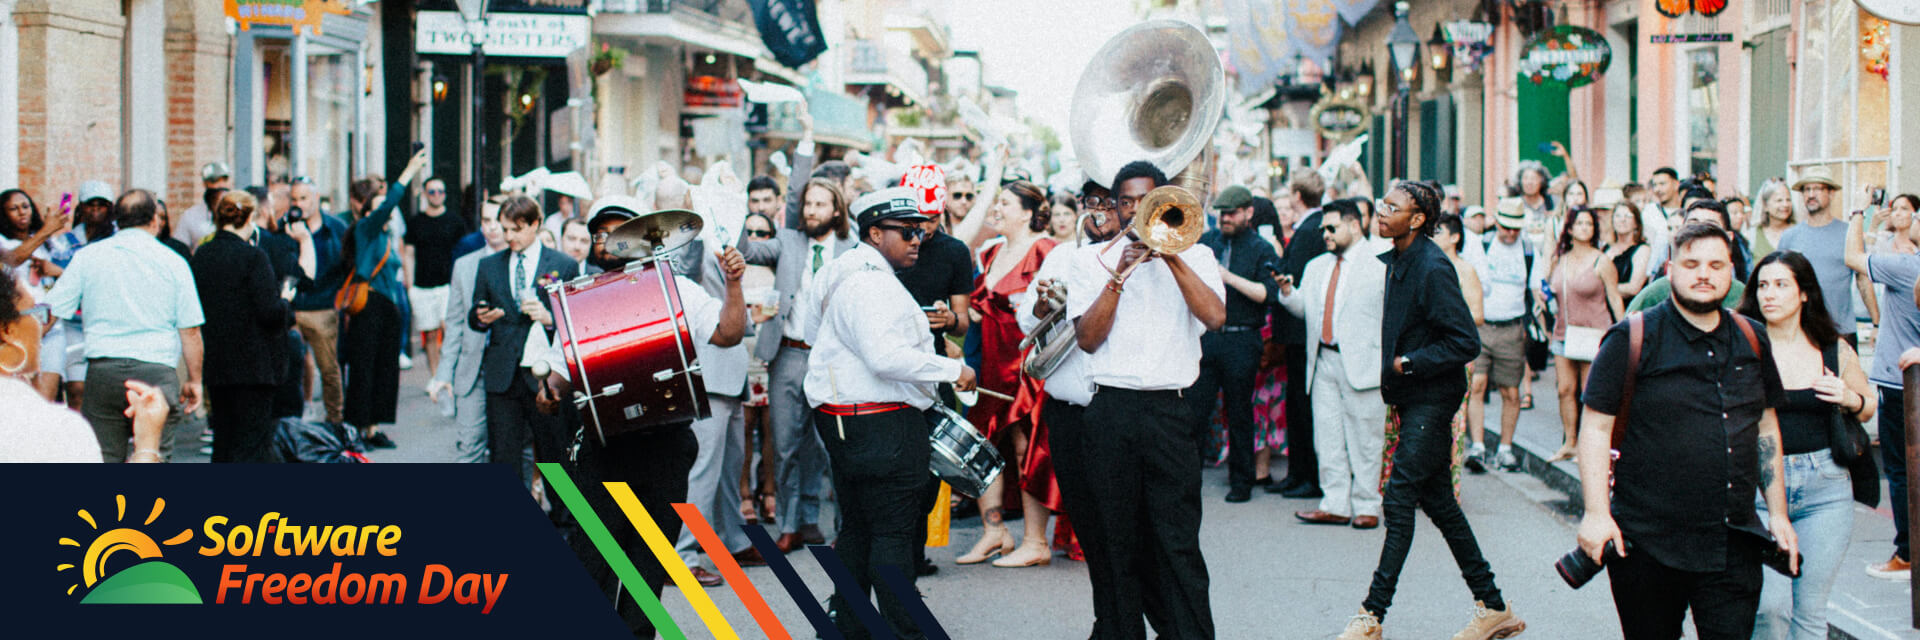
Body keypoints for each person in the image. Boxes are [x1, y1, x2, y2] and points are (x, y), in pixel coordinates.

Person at [531, 207, 748, 639]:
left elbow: (728, 333)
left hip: (665, 445)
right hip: (604, 449)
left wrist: (735, 284)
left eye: (620, 234)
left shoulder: (676, 288)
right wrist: (548, 393)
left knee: (648, 563)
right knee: (593, 559)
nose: (608, 243)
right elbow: (559, 372)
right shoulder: (578, 298)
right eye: (600, 236)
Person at [1575, 223, 1798, 640]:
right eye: (1692, 263)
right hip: (1647, 544)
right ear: (1669, 268)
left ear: (1731, 271)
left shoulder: (1753, 337)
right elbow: (1595, 428)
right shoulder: (1632, 337)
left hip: (1733, 541)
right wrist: (1595, 513)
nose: (1704, 274)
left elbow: (1766, 425)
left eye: (1716, 265)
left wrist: (1779, 514)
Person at [1338, 181, 1519, 640]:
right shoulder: (1399, 259)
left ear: (1417, 219)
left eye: (1392, 208)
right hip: (1411, 397)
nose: (1381, 212)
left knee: (1399, 500)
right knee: (1439, 503)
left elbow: (1465, 341)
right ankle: (1494, 605)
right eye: (1382, 205)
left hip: (1432, 399)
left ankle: (1371, 616)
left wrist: (1410, 362)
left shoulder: (1433, 267)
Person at [800, 186, 977, 638]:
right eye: (907, 231)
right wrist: (951, 368)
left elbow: (810, 331)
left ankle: (848, 623)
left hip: (842, 419)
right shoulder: (873, 284)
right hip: (882, 423)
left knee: (859, 528)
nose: (918, 239)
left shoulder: (840, 269)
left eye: (920, 230)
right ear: (876, 233)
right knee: (893, 537)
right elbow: (885, 357)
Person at [1067, 160, 1225, 639]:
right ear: (1115, 207)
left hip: (1170, 411)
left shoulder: (1196, 255)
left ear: (1166, 200)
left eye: (1146, 200)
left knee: (1177, 541)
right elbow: (1089, 339)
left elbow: (1215, 317)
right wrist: (1119, 274)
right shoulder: (1087, 260)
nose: (1136, 210)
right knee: (1118, 541)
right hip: (1111, 410)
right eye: (1127, 202)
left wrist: (1171, 254)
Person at [1739, 251, 1875, 639]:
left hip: (1825, 489)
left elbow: (1868, 407)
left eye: (1782, 285)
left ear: (1803, 294)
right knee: (1769, 608)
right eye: (1763, 285)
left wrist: (1849, 397)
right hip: (1760, 489)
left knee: (1811, 612)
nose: (1770, 294)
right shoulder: (1743, 344)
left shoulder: (1832, 347)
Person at [1021, 178, 1122, 628]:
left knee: (1120, 528)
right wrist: (1045, 306)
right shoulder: (1063, 255)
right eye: (1091, 202)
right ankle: (1108, 623)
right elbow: (1026, 316)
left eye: (1108, 203)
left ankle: (1127, 622)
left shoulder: (1137, 254)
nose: (1098, 212)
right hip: (1065, 410)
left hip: (1113, 408)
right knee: (1089, 526)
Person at [740, 177, 860, 552]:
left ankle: (844, 527)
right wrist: (732, 209)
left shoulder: (852, 247)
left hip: (833, 357)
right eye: (807, 204)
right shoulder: (789, 242)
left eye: (820, 205)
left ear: (836, 210)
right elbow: (749, 251)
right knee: (787, 444)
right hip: (788, 354)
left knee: (833, 447)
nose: (810, 211)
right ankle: (791, 525)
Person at [44, 189, 205, 462]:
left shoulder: (88, 256)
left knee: (104, 456)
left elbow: (52, 311)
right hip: (156, 370)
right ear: (155, 219)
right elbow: (190, 330)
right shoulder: (174, 263)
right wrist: (194, 380)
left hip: (103, 370)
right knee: (154, 453)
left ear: (117, 220)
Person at [959, 180, 1061, 568]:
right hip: (989, 365)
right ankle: (994, 532)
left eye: (1004, 202)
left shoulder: (1046, 250)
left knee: (1027, 448)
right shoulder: (992, 251)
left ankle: (1036, 541)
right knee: (983, 449)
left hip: (1027, 369)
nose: (996, 209)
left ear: (1027, 211)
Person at [1276, 198, 1386, 528]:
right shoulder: (1317, 267)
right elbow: (1307, 311)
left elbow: (1393, 317)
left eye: (1332, 227)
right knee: (1327, 436)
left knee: (1366, 439)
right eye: (1323, 227)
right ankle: (1335, 502)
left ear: (1355, 226)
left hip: (1363, 364)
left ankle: (1367, 505)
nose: (1325, 234)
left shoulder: (1379, 264)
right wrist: (1287, 294)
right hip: (1322, 361)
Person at [0, 269, 174, 462]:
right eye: (36, 313)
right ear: (7, 330)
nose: (42, 324)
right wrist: (147, 445)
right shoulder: (56, 429)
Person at [470, 195, 580, 485]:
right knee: (503, 456)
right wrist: (482, 317)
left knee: (555, 455)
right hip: (502, 373)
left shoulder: (563, 264)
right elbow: (474, 315)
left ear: (535, 224)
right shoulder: (489, 265)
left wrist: (548, 319)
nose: (509, 236)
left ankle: (567, 524)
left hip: (546, 375)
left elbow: (575, 323)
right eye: (505, 229)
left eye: (516, 229)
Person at [892, 188, 974, 576]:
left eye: (930, 220)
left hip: (935, 367)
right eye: (914, 222)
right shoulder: (891, 243)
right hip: (890, 366)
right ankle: (892, 549)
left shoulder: (954, 251)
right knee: (895, 461)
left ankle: (914, 550)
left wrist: (948, 321)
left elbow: (964, 318)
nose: (921, 231)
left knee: (930, 467)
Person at [1843, 195, 1920, 580]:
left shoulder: (1908, 267)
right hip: (1902, 376)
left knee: (1903, 471)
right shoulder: (1905, 261)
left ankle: (1908, 553)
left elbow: (1854, 257)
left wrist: (1859, 211)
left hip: (1903, 382)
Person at [1191, 184, 1281, 503]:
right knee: (1196, 409)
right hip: (1208, 337)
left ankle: (1241, 481)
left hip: (1243, 337)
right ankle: (1188, 478)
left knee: (1240, 411)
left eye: (1231, 213)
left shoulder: (1261, 248)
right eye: (1221, 214)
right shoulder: (1207, 241)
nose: (1225, 219)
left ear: (1248, 213)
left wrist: (1226, 276)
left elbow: (1267, 294)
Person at [189, 191, 293, 462]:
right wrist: (285, 302)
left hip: (217, 361)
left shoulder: (202, 255)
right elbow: (269, 312)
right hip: (253, 365)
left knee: (223, 440)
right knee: (251, 444)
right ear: (249, 218)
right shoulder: (253, 257)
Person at [340, 151, 430, 448]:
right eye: (379, 207)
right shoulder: (365, 229)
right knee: (364, 367)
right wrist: (409, 170)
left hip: (390, 306)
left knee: (385, 369)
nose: (385, 212)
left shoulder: (387, 236)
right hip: (370, 305)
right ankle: (356, 428)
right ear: (367, 211)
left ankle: (373, 427)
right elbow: (389, 201)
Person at [1542, 207, 1624, 462]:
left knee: (1589, 391)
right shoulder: (1560, 259)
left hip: (1592, 334)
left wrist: (1622, 334)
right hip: (1563, 331)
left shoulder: (1602, 261)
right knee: (1565, 389)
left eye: (1589, 224)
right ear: (1569, 228)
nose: (1585, 228)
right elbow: (1549, 290)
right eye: (1580, 223)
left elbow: (1614, 298)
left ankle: (1589, 444)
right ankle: (1570, 443)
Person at [428, 199, 506, 464]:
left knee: (518, 447)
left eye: (497, 220)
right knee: (470, 444)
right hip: (473, 368)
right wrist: (443, 373)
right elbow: (455, 324)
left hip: (511, 369)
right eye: (486, 221)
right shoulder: (464, 265)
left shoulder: (522, 264)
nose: (492, 227)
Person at [1465, 198, 1539, 472]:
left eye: (1515, 229)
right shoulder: (1482, 245)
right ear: (1496, 222)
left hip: (1511, 327)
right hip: (1481, 325)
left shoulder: (1529, 248)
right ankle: (1479, 446)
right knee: (1477, 385)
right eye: (1506, 227)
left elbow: (1535, 287)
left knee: (1511, 390)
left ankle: (1506, 448)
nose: (1510, 233)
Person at [1271, 171, 1329, 498]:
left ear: (1296, 195)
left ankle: (1307, 474)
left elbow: (1300, 279)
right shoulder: (1309, 227)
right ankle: (1298, 472)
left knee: (1302, 405)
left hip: (1300, 330)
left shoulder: (1309, 230)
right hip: (1297, 330)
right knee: (1297, 404)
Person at [37, 180, 117, 408]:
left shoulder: (118, 241)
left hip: (108, 323)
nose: (95, 210)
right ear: (81, 208)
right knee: (76, 387)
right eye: (90, 205)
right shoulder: (65, 243)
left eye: (101, 205)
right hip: (74, 324)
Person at [287, 177, 351, 428]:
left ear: (315, 198)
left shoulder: (336, 228)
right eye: (294, 199)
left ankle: (335, 421)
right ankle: (296, 417)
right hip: (292, 308)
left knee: (329, 368)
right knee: (293, 365)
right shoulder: (287, 227)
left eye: (303, 198)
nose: (298, 204)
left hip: (324, 306)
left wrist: (341, 300)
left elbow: (348, 265)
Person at [737, 211, 781, 524]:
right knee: (743, 431)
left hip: (770, 357)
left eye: (762, 233)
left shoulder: (779, 271)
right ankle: (744, 493)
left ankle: (770, 491)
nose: (754, 237)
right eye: (749, 231)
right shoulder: (733, 270)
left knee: (771, 432)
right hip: (741, 356)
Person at [1627, 201, 1749, 312]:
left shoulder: (1741, 295)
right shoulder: (1657, 293)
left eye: (1710, 226)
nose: (1700, 232)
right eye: (1693, 224)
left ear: (1728, 237)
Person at [403, 176, 468, 381]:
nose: (437, 195)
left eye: (440, 191)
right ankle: (435, 376)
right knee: (429, 334)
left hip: (448, 285)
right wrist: (410, 284)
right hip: (422, 285)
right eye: (432, 191)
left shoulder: (455, 221)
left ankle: (452, 374)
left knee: (449, 329)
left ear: (445, 195)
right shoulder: (415, 222)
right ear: (424, 194)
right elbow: (408, 253)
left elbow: (463, 253)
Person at [1, 188, 68, 272]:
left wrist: (57, 271)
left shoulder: (44, 240)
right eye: (13, 208)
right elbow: (12, 259)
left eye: (25, 207)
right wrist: (47, 229)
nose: (22, 212)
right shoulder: (2, 240)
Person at [173, 161, 230, 250]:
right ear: (205, 183)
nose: (220, 185)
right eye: (215, 181)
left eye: (224, 180)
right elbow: (180, 246)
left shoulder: (238, 211)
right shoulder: (190, 216)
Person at [1608, 201, 1651, 299]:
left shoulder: (1642, 250)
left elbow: (1634, 288)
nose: (1622, 220)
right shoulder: (1605, 249)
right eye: (1618, 216)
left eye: (1627, 216)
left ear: (1636, 223)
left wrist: (1603, 288)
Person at [1753, 180, 1794, 258]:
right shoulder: (1753, 235)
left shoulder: (1798, 232)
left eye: (1788, 200)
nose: (1785, 204)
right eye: (1779, 200)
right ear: (1765, 206)